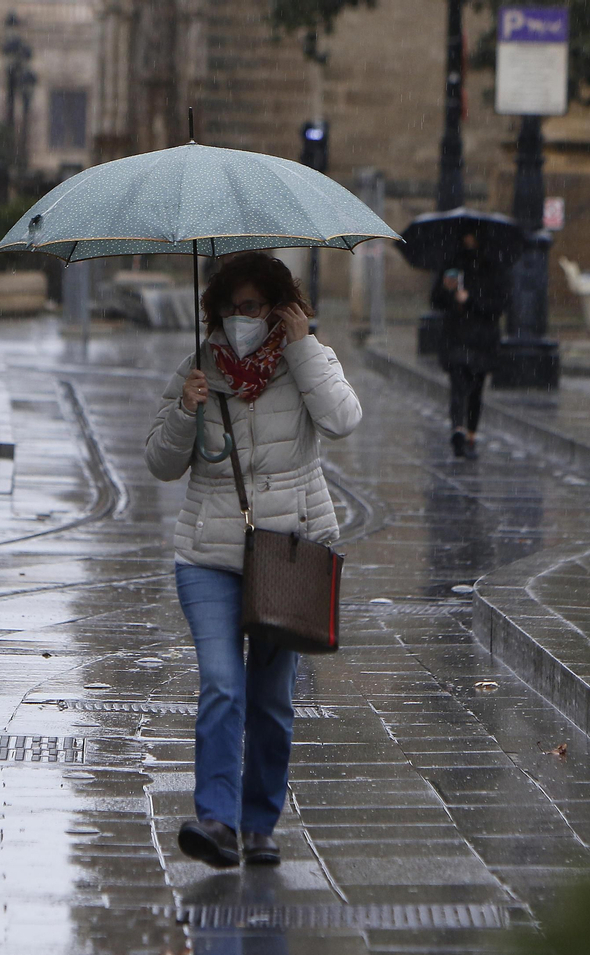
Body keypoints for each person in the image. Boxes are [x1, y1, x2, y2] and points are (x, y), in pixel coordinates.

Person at [144, 252, 362, 868]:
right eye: (233, 309)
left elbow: (344, 420)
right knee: (221, 682)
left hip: (288, 550)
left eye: (255, 307)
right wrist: (186, 410)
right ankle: (216, 821)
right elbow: (159, 465)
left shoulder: (305, 361)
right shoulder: (198, 369)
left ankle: (259, 820)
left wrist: (304, 348)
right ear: (216, 311)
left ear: (278, 308)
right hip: (208, 553)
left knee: (271, 699)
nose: (243, 319)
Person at [430, 231, 507, 459]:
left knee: (475, 390)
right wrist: (447, 289)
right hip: (457, 337)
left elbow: (498, 306)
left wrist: (471, 300)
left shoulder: (492, 268)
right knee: (457, 386)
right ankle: (458, 429)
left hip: (481, 340)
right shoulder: (452, 263)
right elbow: (436, 300)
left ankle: (470, 433)